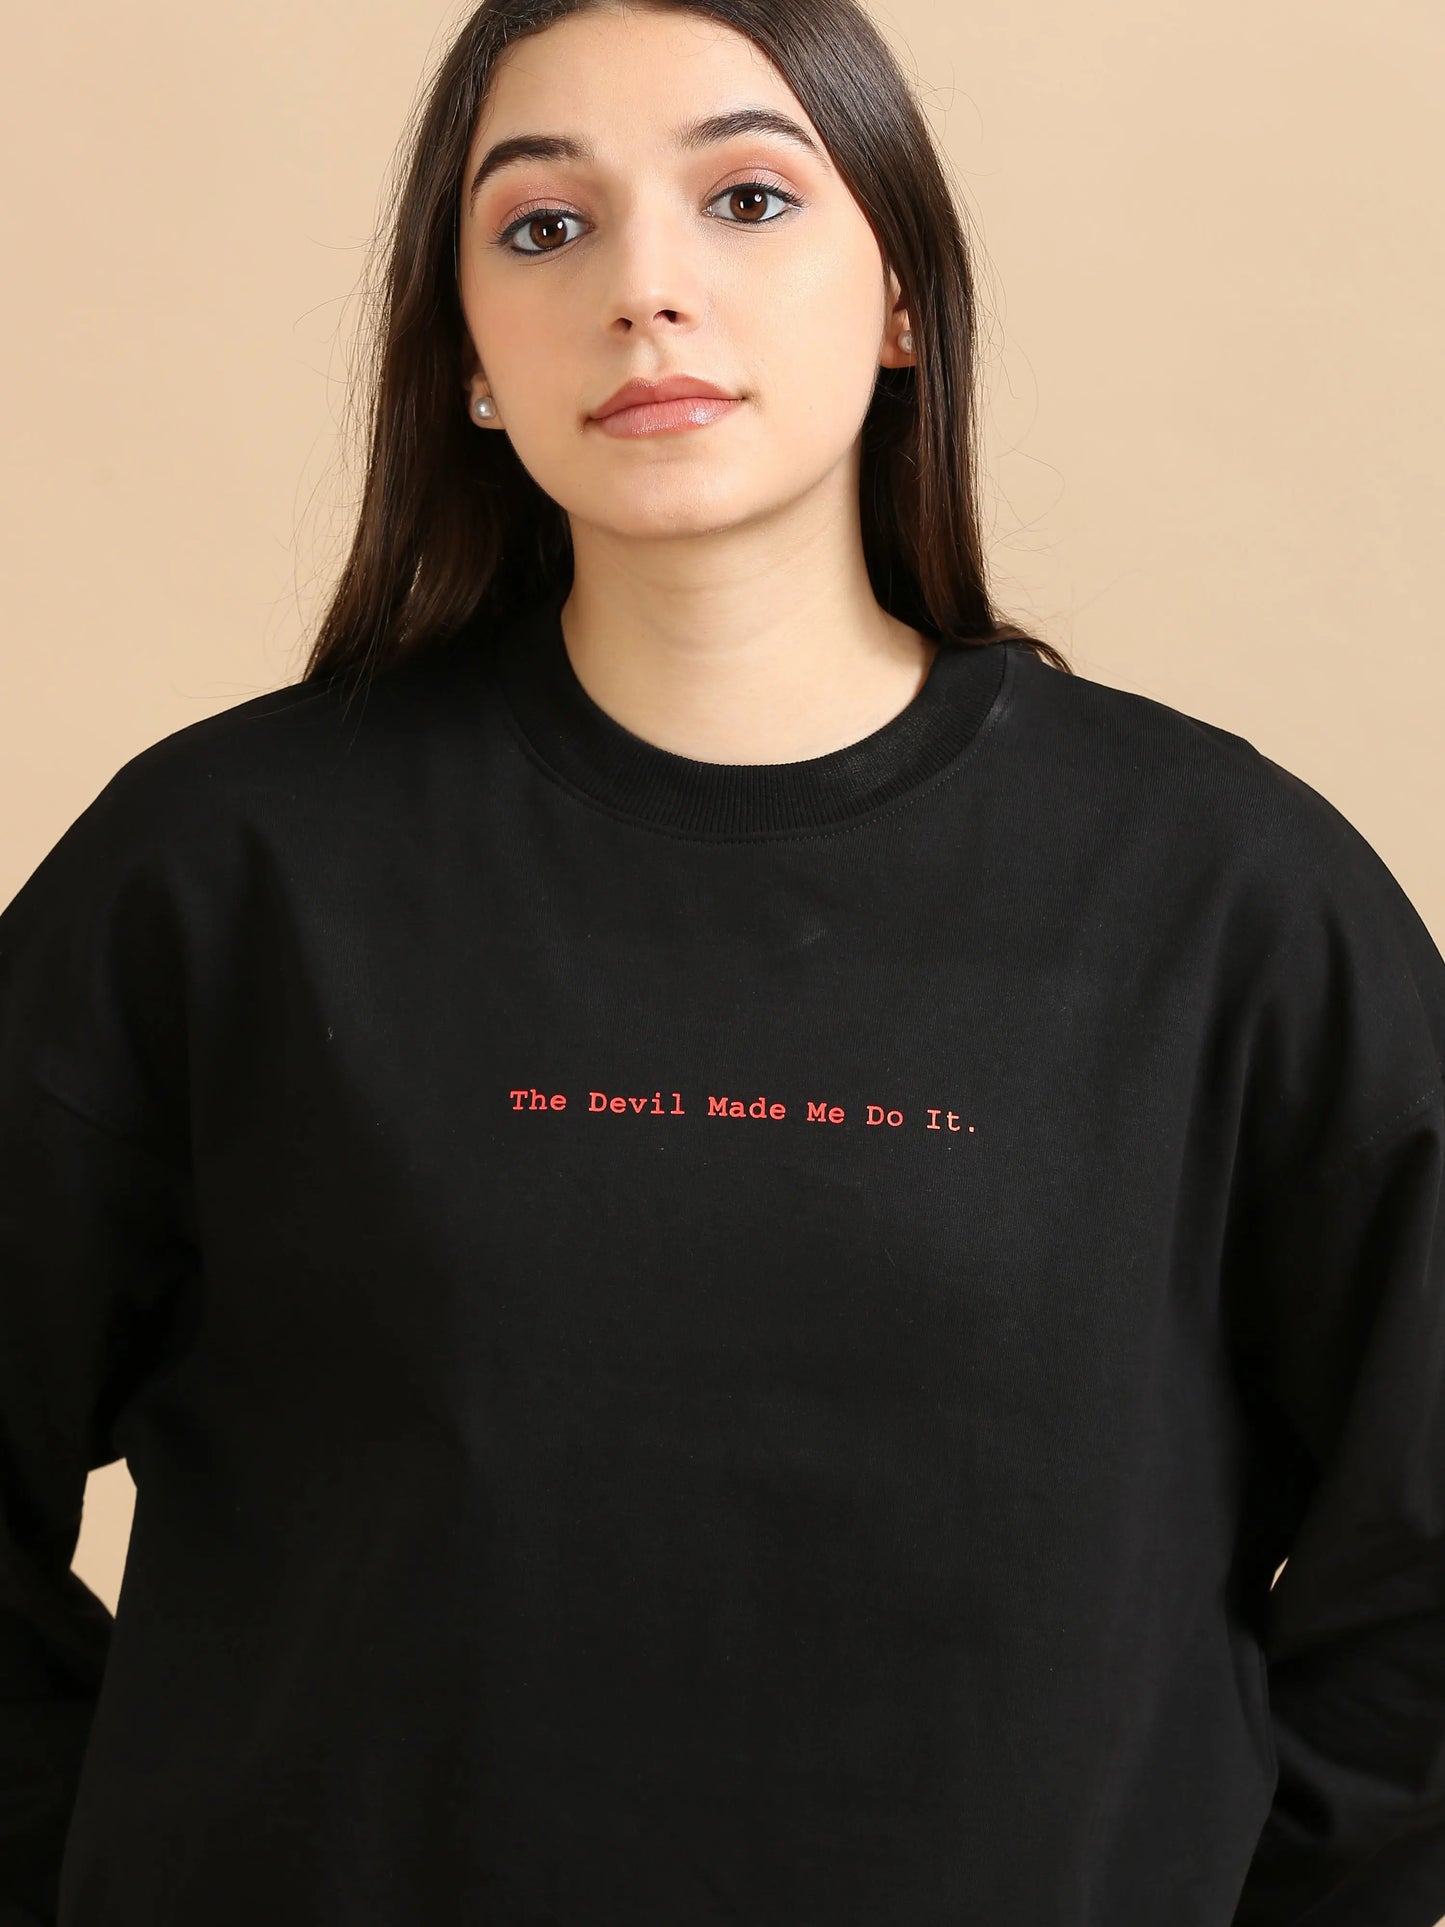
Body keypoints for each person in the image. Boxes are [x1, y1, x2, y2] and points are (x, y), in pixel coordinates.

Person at [2, 1, 1442, 1922]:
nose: (643, 290)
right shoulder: (216, 875)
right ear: (468, 361)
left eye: (747, 198)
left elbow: (1415, 1564)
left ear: (903, 298)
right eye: (543, 226)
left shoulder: (1227, 897)